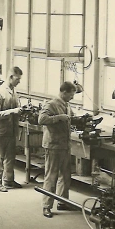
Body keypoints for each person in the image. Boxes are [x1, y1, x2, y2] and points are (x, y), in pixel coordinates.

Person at [39, 81, 77, 218]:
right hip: (53, 145)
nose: (72, 97)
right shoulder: (51, 104)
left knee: (65, 176)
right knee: (51, 176)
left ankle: (62, 202)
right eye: (71, 94)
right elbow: (41, 119)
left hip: (64, 145)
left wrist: (81, 120)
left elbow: (71, 118)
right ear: (64, 92)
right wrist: (59, 118)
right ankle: (46, 206)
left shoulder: (67, 105)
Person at [0, 66, 24, 192]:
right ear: (10, 77)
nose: (19, 81)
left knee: (10, 156)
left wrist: (22, 111)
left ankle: (8, 180)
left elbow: (16, 108)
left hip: (11, 129)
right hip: (1, 130)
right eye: (17, 79)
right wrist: (13, 111)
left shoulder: (14, 92)